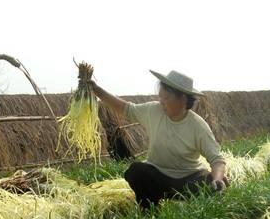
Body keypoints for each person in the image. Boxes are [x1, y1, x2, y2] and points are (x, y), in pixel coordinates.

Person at [89, 69, 227, 209]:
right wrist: (97, 91)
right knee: (136, 171)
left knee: (210, 183)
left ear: (183, 99)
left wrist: (217, 178)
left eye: (166, 98)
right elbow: (126, 108)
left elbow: (217, 160)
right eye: (160, 97)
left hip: (188, 179)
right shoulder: (153, 111)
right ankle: (150, 210)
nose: (161, 102)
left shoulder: (197, 126)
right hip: (158, 176)